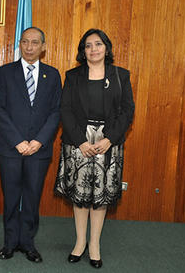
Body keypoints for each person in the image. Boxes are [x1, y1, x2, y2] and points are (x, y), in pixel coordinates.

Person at [54, 29, 135, 269]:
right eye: (88, 46)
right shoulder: (73, 75)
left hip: (107, 141)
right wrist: (80, 141)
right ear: (83, 51)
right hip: (78, 140)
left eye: (98, 44)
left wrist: (109, 138)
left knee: (100, 197)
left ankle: (95, 244)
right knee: (80, 196)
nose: (94, 49)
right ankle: (79, 243)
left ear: (106, 48)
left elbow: (127, 110)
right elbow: (65, 109)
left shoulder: (121, 75)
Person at [0, 27, 61, 263]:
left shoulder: (52, 75)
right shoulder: (5, 72)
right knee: (11, 197)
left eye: (35, 42)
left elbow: (55, 112)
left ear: (43, 47)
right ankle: (10, 242)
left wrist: (39, 141)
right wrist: (18, 141)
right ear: (19, 45)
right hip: (11, 148)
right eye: (25, 42)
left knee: (32, 197)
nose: (29, 47)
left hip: (38, 150)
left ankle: (28, 243)